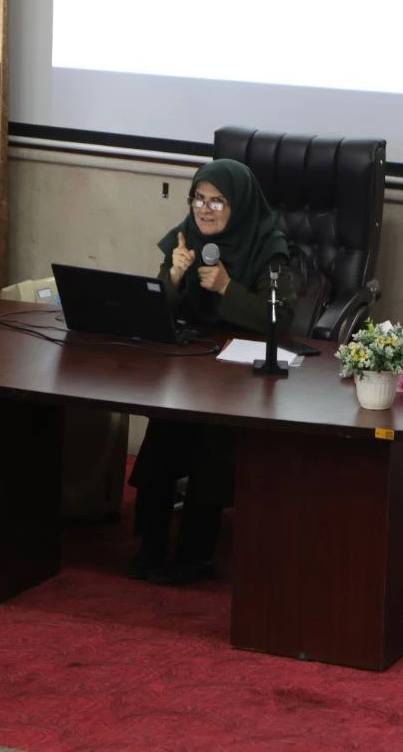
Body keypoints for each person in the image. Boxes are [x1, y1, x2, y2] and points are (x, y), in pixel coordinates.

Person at [128, 158, 296, 585]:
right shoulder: (184, 236)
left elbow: (280, 318)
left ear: (238, 205)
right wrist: (174, 277)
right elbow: (159, 309)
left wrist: (226, 288)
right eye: (199, 199)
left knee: (214, 440)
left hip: (241, 372)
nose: (205, 209)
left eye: (217, 201)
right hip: (192, 362)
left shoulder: (268, 247)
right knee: (165, 428)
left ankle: (196, 554)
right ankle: (150, 544)